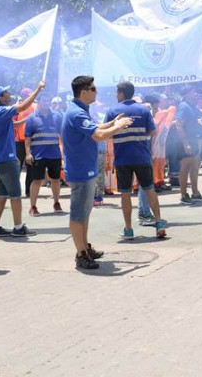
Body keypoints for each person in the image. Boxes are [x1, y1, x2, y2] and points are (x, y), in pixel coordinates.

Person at [62, 75, 133, 270]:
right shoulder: (77, 113)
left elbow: (96, 127)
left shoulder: (80, 110)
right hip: (80, 170)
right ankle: (80, 254)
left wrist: (112, 123)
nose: (96, 91)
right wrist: (117, 127)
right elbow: (98, 135)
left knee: (84, 212)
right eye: (93, 89)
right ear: (83, 92)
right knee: (78, 214)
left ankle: (84, 247)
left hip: (86, 169)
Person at [105, 81, 167, 240]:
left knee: (125, 193)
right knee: (149, 189)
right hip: (142, 157)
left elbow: (106, 133)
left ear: (120, 93)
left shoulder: (112, 111)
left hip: (123, 159)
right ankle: (159, 223)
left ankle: (129, 229)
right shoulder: (143, 110)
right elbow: (152, 132)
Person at [0, 82, 43, 238]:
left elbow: (14, 123)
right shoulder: (2, 111)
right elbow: (23, 106)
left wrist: (25, 121)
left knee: (2, 195)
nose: (9, 94)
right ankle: (18, 227)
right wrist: (38, 89)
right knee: (15, 196)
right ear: (1, 97)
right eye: (6, 92)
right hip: (7, 160)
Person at [24, 94, 64, 215]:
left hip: (54, 154)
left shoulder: (57, 116)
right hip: (38, 155)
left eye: (48, 100)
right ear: (39, 103)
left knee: (56, 179)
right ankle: (33, 206)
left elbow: (62, 135)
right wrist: (27, 154)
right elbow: (27, 138)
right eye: (44, 100)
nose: (46, 103)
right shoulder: (32, 118)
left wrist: (64, 152)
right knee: (37, 180)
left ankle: (56, 203)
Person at [176, 86, 202, 203]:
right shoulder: (183, 106)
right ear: (187, 94)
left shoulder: (191, 105)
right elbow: (178, 125)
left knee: (195, 167)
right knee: (185, 169)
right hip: (185, 142)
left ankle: (195, 192)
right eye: (193, 92)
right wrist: (185, 143)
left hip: (193, 141)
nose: (195, 93)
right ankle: (183, 195)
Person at [12, 88, 36, 196]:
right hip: (20, 141)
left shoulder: (34, 106)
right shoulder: (17, 107)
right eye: (28, 95)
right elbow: (13, 123)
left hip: (32, 140)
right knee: (17, 167)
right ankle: (14, 190)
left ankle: (29, 191)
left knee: (31, 167)